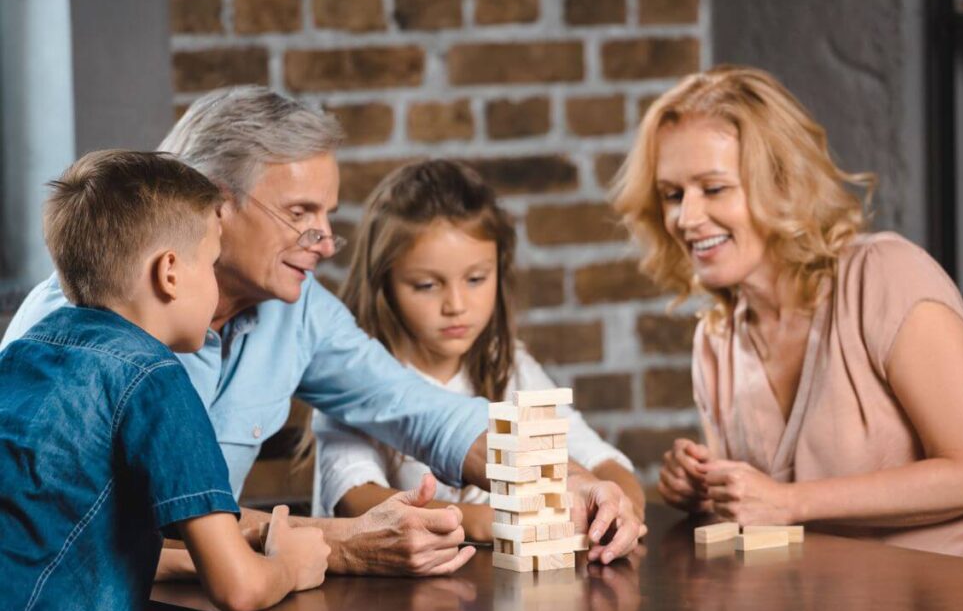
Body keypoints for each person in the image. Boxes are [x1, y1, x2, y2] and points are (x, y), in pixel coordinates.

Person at [2, 86, 642, 574]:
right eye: (301, 214)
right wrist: (341, 545)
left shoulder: (299, 309)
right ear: (214, 205)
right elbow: (126, 527)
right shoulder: (80, 317)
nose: (326, 242)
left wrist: (566, 479)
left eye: (328, 215)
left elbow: (421, 410)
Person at [613, 65, 963, 564]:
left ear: (782, 184)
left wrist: (788, 502)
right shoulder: (716, 341)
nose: (687, 217)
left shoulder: (886, 277)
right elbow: (759, 512)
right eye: (673, 195)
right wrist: (706, 489)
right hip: (830, 605)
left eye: (714, 188)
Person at [0, 151, 330, 611]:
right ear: (170, 272)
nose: (218, 289)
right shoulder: (155, 379)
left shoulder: (22, 353)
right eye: (214, 265)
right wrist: (291, 566)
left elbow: (64, 543)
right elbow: (237, 588)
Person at [309, 160, 645, 542]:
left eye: (475, 279)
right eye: (425, 285)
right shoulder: (350, 377)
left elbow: (598, 459)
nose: (456, 304)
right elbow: (354, 499)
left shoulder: (510, 364)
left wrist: (621, 508)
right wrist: (490, 520)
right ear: (383, 284)